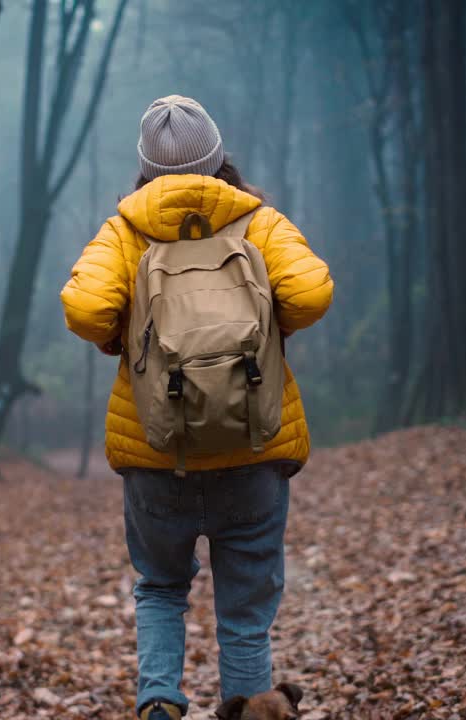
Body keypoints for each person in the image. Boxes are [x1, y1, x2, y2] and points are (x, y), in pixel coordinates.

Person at [60, 95, 333, 720]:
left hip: (158, 451)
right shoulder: (257, 223)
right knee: (244, 614)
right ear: (219, 158)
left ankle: (159, 705)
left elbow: (85, 309)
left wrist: (122, 336)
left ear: (145, 168)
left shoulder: (126, 231)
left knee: (160, 589)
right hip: (254, 447)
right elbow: (312, 291)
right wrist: (266, 324)